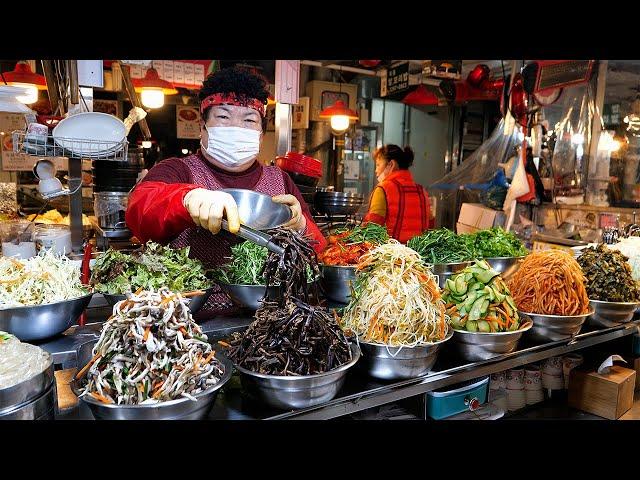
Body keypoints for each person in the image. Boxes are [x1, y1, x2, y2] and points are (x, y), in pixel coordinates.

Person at [126, 66, 326, 316]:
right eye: (223, 117)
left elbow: (319, 250)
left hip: (270, 321)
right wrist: (186, 199)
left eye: (249, 120)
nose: (236, 127)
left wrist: (301, 227)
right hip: (188, 320)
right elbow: (139, 212)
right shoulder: (178, 170)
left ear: (262, 134)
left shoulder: (280, 180)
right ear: (203, 127)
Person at [363, 144, 431, 243]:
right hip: (418, 254)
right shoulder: (422, 191)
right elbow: (431, 223)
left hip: (392, 253)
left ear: (391, 164)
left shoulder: (383, 189)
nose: (376, 170)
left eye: (378, 165)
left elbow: (372, 227)